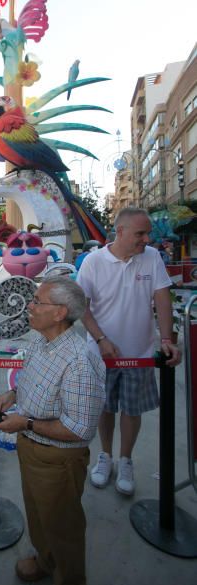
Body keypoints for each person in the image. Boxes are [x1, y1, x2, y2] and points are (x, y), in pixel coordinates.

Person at [0, 276, 105, 585]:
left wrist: (25, 422)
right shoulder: (42, 341)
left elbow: (79, 429)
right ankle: (45, 561)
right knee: (40, 517)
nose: (30, 305)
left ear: (60, 313)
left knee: (63, 528)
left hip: (58, 459)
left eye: (38, 301)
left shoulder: (80, 360)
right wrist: (11, 396)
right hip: (32, 447)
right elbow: (31, 383)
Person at [76, 207, 181, 496]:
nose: (147, 239)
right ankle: (105, 456)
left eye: (147, 233)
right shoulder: (93, 262)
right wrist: (100, 339)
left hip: (141, 352)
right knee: (105, 407)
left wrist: (167, 340)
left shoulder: (152, 259)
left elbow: (162, 299)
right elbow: (80, 306)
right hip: (101, 353)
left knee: (132, 410)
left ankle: (125, 460)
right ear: (120, 232)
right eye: (140, 233)